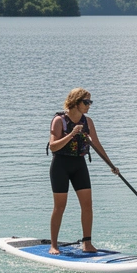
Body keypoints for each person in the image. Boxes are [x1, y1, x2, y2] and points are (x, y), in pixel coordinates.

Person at [47, 88, 118, 254]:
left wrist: (111, 165)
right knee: (60, 206)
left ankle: (87, 243)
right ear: (75, 102)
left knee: (87, 205)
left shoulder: (88, 122)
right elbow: (53, 146)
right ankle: (54, 245)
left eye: (90, 102)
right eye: (86, 102)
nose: (89, 105)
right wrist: (72, 134)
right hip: (60, 166)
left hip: (79, 165)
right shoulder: (59, 120)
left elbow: (97, 144)